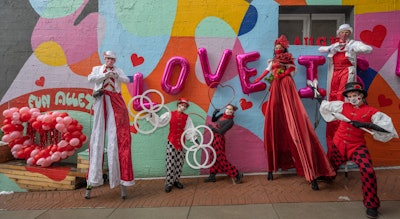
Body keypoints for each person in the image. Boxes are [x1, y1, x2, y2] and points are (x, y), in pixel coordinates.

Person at [254, 35, 335, 190]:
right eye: (276, 47)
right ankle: (272, 167)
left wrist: (283, 74)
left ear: (284, 48)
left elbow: (292, 69)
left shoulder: (288, 59)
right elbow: (266, 72)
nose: (278, 49)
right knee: (274, 120)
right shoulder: (273, 61)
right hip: (276, 88)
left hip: (287, 86)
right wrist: (258, 79)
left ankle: (311, 171)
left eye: (280, 47)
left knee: (296, 120)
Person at [319, 82, 398, 219]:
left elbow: (388, 130)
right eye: (349, 96)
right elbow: (325, 107)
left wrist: (366, 124)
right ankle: (328, 177)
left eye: (355, 95)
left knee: (368, 171)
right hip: (338, 143)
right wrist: (320, 100)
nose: (352, 98)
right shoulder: (341, 106)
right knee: (330, 167)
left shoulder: (371, 112)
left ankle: (371, 205)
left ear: (361, 95)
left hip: (356, 146)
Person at [318, 24, 373, 158]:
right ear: (338, 34)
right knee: (333, 95)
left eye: (347, 32)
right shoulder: (335, 46)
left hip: (346, 71)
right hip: (335, 73)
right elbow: (321, 49)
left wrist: (353, 47)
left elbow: (368, 49)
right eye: (342, 32)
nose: (344, 35)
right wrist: (331, 47)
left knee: (343, 96)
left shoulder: (353, 44)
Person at [85, 51, 134, 199]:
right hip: (101, 99)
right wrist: (105, 76)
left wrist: (116, 76)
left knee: (118, 139)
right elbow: (90, 79)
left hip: (115, 101)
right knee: (97, 136)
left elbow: (127, 80)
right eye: (108, 59)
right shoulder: (97, 69)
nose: (110, 62)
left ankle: (122, 181)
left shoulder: (118, 70)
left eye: (112, 59)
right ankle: (92, 180)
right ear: (105, 59)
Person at [156, 98, 197, 193]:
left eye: (185, 106)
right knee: (170, 162)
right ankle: (169, 183)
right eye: (181, 105)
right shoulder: (169, 114)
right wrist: (151, 115)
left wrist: (196, 140)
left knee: (179, 162)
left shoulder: (187, 118)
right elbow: (159, 121)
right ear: (178, 105)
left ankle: (176, 181)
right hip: (172, 141)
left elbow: (190, 130)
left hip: (182, 143)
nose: (182, 107)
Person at [204, 104, 243, 184]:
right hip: (214, 137)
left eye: (230, 109)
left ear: (233, 112)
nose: (228, 110)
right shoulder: (222, 115)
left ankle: (237, 173)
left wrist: (212, 128)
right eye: (227, 109)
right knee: (212, 156)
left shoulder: (230, 122)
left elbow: (221, 132)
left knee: (220, 158)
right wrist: (214, 113)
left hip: (219, 139)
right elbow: (214, 120)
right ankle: (212, 175)